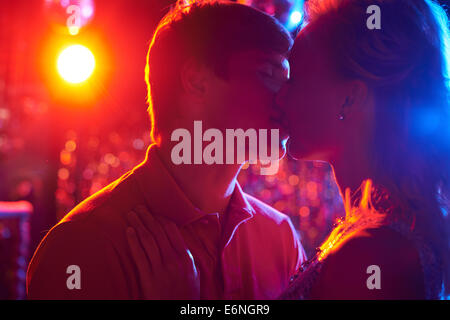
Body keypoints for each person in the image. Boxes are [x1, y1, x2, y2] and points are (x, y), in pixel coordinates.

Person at [26, 0, 306, 299]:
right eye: (268, 74)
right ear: (196, 81)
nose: (286, 99)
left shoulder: (279, 237)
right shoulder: (82, 246)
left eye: (288, 81)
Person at [276, 0, 450, 299]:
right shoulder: (383, 231)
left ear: (349, 99)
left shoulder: (370, 253)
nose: (279, 97)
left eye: (295, 79)